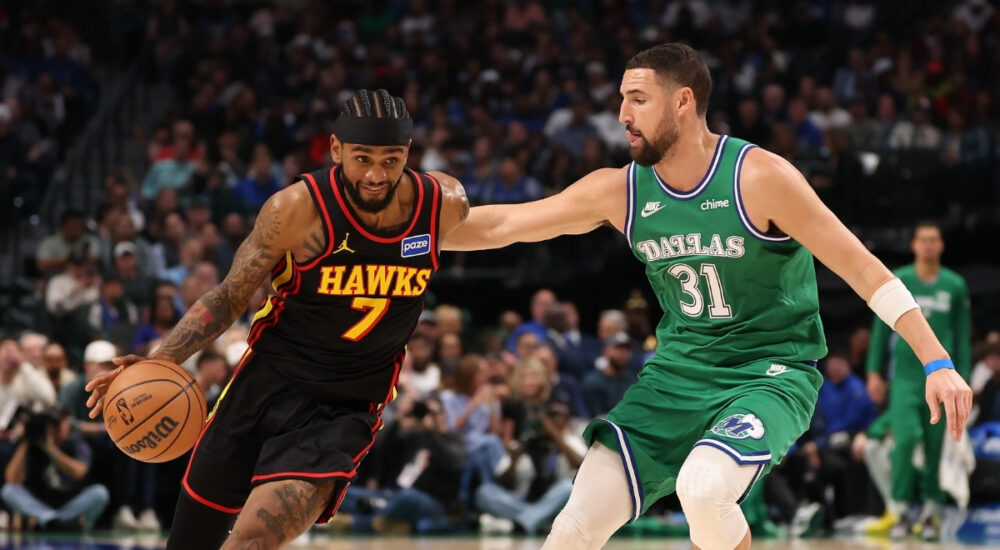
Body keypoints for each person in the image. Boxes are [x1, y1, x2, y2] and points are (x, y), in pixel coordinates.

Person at [443, 43, 973, 550]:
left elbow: (863, 269)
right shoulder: (621, 189)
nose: (622, 113)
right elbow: (505, 224)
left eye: (637, 99)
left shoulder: (759, 177)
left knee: (702, 488)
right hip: (675, 375)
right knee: (572, 529)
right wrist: (403, 230)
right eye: (622, 99)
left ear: (683, 101)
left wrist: (937, 361)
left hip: (768, 371)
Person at [85, 89, 469, 550]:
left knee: (252, 542)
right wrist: (159, 360)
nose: (375, 174)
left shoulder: (436, 204)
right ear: (335, 149)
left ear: (408, 155)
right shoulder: (295, 209)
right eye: (363, 158)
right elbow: (229, 295)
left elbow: (513, 223)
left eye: (391, 160)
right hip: (265, 383)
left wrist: (579, 209)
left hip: (343, 407)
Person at [865, 220, 971, 539]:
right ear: (913, 245)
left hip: (942, 374)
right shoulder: (901, 280)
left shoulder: (955, 285)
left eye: (933, 239)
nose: (927, 245)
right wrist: (873, 371)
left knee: (937, 445)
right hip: (906, 377)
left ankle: (931, 514)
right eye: (922, 239)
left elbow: (962, 337)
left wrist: (962, 378)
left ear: (941, 245)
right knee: (906, 439)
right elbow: (881, 330)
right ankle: (898, 511)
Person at [1, 407, 109, 531]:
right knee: (8, 490)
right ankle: (52, 519)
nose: (52, 429)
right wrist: (27, 440)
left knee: (100, 493)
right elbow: (11, 479)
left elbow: (79, 472)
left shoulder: (76, 443)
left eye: (55, 424)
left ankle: (50, 521)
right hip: (42, 503)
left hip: (70, 503)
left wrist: (51, 449)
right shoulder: (32, 445)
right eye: (49, 426)